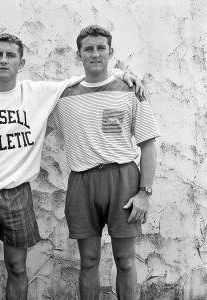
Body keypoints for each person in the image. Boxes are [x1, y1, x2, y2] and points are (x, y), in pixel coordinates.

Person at [0, 33, 142, 299]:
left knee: (17, 268)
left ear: (21, 63)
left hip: (16, 194)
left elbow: (85, 76)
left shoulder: (35, 94)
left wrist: (120, 73)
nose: (4, 60)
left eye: (10, 55)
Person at [47, 25, 159, 299]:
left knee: (125, 260)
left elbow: (148, 145)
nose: (95, 54)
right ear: (79, 54)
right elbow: (23, 103)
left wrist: (144, 193)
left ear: (111, 52)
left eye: (100, 48)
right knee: (88, 261)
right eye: (89, 49)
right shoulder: (62, 97)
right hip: (82, 181)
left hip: (122, 179)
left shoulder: (131, 91)